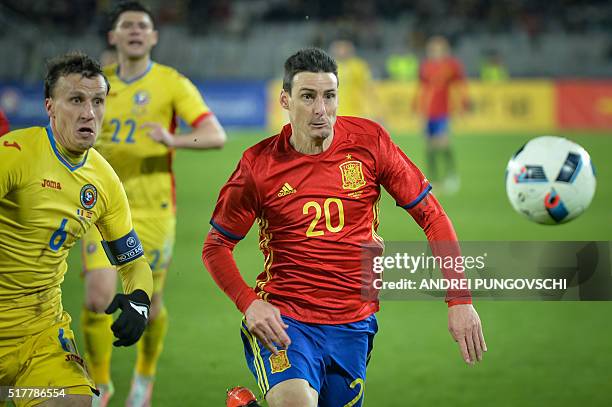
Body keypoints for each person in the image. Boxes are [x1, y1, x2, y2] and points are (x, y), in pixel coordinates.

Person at [202, 47, 486, 407]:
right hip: (286, 319)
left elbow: (433, 216)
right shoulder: (258, 165)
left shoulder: (370, 142)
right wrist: (249, 303)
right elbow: (216, 246)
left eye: (329, 96)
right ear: (285, 100)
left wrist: (459, 300)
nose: (321, 109)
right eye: (308, 97)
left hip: (354, 323)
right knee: (296, 402)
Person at [79, 2, 227, 407]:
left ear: (154, 37)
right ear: (112, 36)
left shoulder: (171, 83)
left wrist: (172, 139)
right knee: (96, 297)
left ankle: (144, 376)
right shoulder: (96, 84)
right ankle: (103, 385)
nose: (135, 31)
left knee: (150, 304)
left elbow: (215, 135)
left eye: (143, 26)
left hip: (153, 210)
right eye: (126, 25)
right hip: (101, 208)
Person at [0, 52, 153, 407]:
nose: (89, 113)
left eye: (98, 101)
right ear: (50, 106)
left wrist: (140, 302)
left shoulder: (104, 181)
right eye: (76, 100)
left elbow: (133, 262)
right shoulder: (15, 154)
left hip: (40, 334)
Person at [414, 35, 470, 194]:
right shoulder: (426, 66)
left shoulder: (451, 66)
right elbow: (422, 90)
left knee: (443, 143)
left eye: (439, 49)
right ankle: (434, 179)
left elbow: (460, 86)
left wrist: (463, 105)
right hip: (428, 113)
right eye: (432, 49)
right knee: (429, 146)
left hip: (443, 112)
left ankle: (451, 176)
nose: (435, 52)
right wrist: (419, 112)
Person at [330, 39, 375, 118]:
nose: (342, 50)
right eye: (339, 47)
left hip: (356, 111)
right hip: (336, 111)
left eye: (344, 47)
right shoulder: (330, 66)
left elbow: (367, 88)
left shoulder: (358, 66)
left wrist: (371, 109)